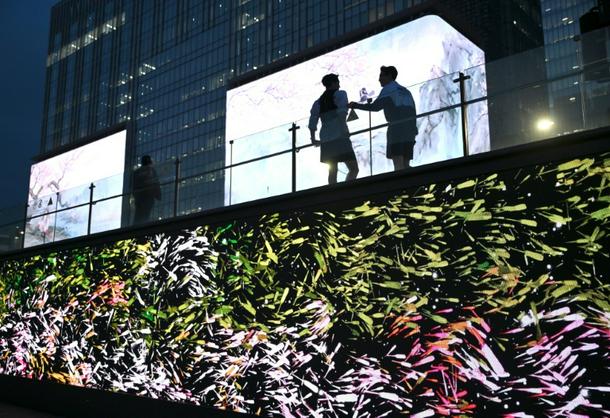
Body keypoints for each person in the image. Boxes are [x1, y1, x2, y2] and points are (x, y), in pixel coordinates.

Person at [349, 66, 418, 171]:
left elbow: (375, 107)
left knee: (398, 162)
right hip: (410, 129)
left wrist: (355, 105)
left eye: (381, 76)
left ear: (389, 75)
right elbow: (413, 111)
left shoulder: (389, 89)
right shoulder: (405, 91)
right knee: (406, 164)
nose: (379, 79)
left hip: (396, 128)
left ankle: (401, 181)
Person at [308, 73, 359, 185]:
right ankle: (347, 190)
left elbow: (313, 121)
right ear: (333, 83)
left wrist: (313, 138)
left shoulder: (318, 102)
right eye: (338, 83)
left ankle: (333, 192)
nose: (339, 85)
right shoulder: (340, 94)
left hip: (326, 139)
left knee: (332, 170)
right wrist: (344, 129)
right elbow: (342, 114)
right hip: (340, 136)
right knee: (354, 168)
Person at [132, 155, 161, 224]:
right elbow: (156, 183)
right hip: (148, 196)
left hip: (139, 197)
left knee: (138, 214)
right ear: (150, 162)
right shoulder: (151, 170)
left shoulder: (136, 172)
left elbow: (132, 186)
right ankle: (143, 225)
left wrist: (135, 195)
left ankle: (136, 226)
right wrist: (158, 195)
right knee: (146, 215)